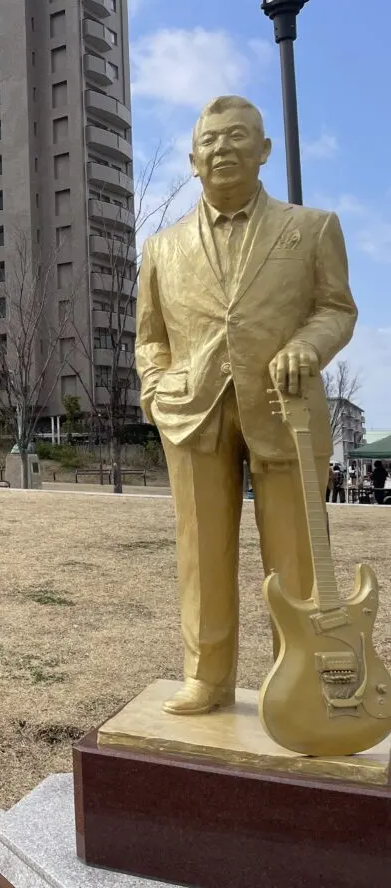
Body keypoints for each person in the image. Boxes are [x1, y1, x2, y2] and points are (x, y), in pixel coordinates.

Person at [136, 95, 357, 715]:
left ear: (263, 152)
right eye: (209, 141)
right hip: (192, 410)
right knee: (200, 550)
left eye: (237, 137)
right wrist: (155, 393)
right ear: (192, 158)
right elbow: (149, 337)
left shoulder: (311, 229)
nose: (222, 149)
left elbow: (337, 308)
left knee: (296, 554)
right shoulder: (161, 249)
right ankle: (207, 676)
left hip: (285, 408)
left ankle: (309, 679)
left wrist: (307, 348)